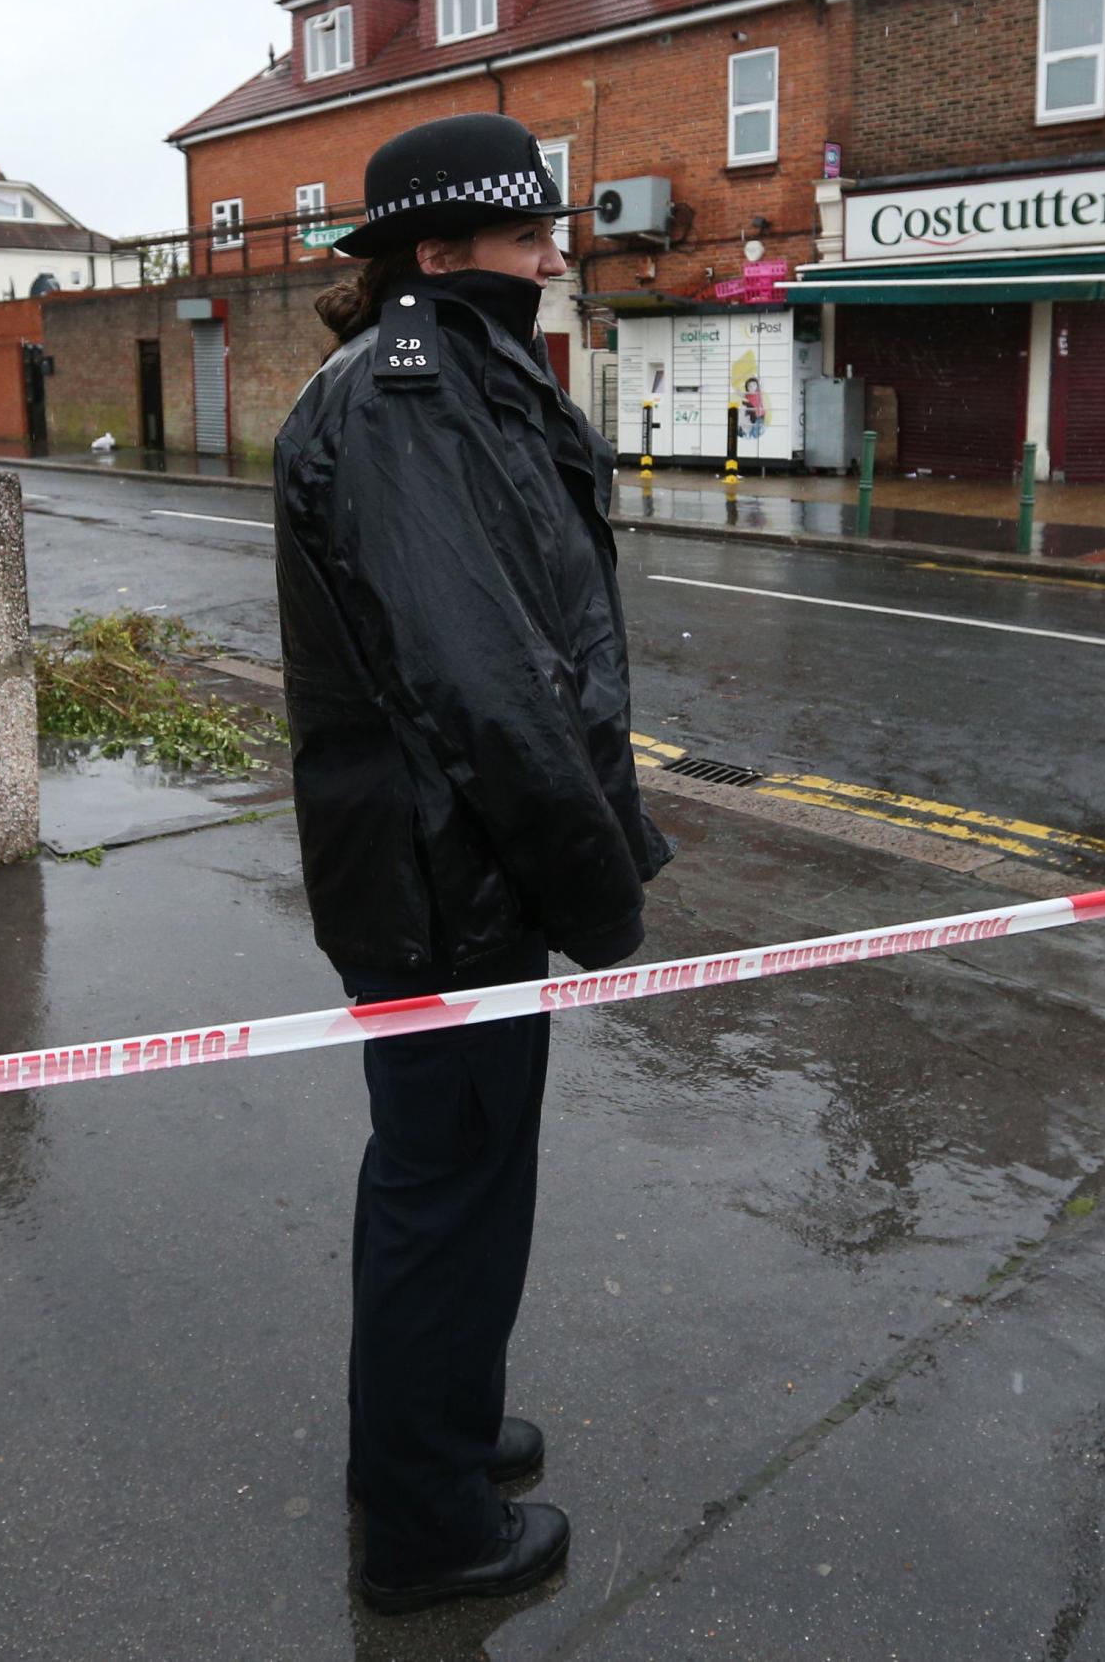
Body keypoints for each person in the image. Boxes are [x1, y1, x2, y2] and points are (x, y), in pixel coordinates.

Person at [273, 114, 673, 1611]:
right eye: (528, 238)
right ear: (440, 256)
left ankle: (437, 1431)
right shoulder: (408, 398)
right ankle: (427, 1523)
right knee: (445, 1189)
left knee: (471, 1177)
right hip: (445, 888)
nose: (555, 254)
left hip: (459, 874)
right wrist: (601, 886)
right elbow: (486, 689)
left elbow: (542, 646)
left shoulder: (452, 377)